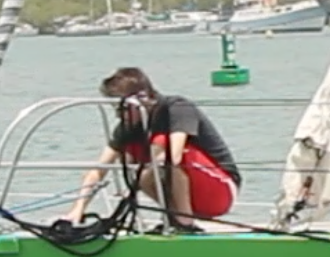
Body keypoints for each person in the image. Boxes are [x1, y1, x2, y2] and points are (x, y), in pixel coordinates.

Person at [67, 66, 243, 227]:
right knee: (138, 169)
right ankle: (173, 216)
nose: (118, 114)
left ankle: (184, 221)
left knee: (169, 153)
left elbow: (174, 156)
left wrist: (152, 158)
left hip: (221, 188)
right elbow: (98, 170)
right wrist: (78, 208)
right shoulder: (128, 126)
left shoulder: (177, 107)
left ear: (142, 98)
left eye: (121, 107)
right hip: (185, 190)